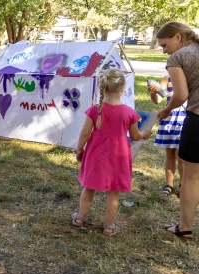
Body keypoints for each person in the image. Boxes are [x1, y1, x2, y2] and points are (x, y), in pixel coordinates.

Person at [71, 69, 150, 236]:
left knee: (88, 187)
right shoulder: (129, 112)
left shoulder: (95, 110)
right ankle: (109, 226)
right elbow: (135, 136)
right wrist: (144, 134)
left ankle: (80, 218)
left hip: (95, 154)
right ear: (122, 88)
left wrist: (79, 148)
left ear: (101, 86)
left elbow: (85, 133)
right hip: (118, 157)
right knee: (113, 192)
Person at [156, 22, 199, 239]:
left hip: (197, 119)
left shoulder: (178, 58)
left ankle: (184, 227)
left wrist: (166, 109)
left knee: (192, 178)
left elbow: (180, 95)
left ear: (178, 37)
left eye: (164, 44)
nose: (164, 50)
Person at [148, 75, 186, 196]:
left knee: (182, 156)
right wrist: (153, 93)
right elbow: (158, 100)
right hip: (169, 117)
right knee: (170, 154)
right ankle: (168, 185)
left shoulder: (190, 75)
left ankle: (183, 185)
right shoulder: (166, 79)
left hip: (184, 118)